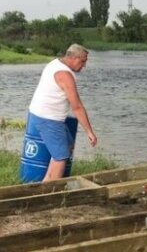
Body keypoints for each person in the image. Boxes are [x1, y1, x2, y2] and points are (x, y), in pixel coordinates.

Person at [27, 44, 97, 182]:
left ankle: (47, 182)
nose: (84, 65)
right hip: (48, 119)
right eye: (83, 61)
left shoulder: (55, 63)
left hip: (39, 114)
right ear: (74, 58)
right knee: (61, 158)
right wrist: (89, 131)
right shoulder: (65, 75)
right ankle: (53, 193)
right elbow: (76, 106)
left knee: (68, 145)